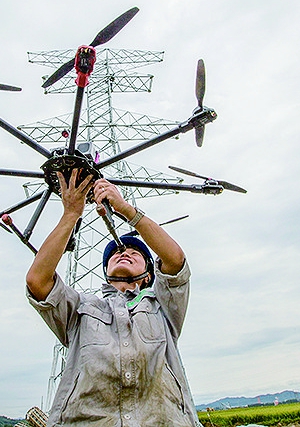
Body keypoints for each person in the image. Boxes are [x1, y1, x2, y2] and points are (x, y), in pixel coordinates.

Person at [26, 169, 202, 426]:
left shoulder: (164, 307)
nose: (123, 251)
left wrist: (126, 210)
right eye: (116, 252)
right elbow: (37, 281)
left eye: (135, 252)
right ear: (107, 273)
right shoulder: (80, 308)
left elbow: (175, 261)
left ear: (148, 275)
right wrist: (71, 214)